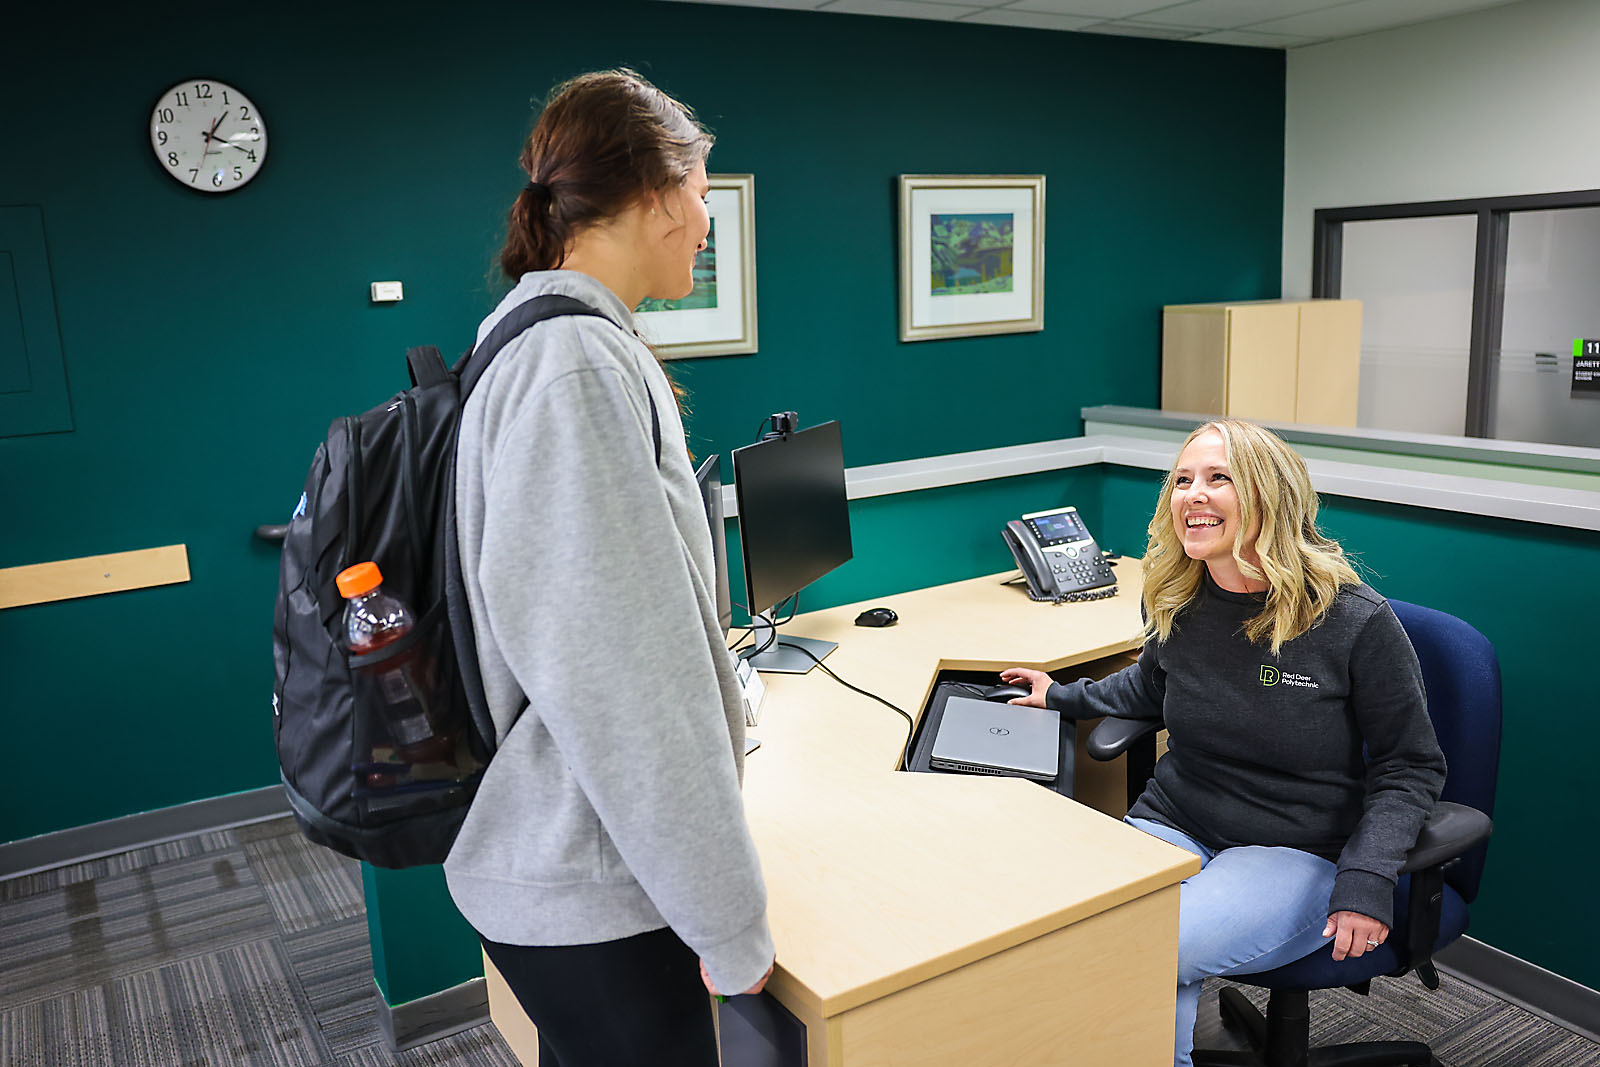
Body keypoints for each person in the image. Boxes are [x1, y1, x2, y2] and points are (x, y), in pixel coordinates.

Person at [443, 70, 773, 1066]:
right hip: (589, 879)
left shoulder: (542, 338)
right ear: (654, 192)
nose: (706, 222)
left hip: (574, 862)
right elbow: (628, 681)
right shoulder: (575, 364)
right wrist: (728, 919)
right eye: (702, 193)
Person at [1000, 419, 1445, 1067]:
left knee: (1149, 944)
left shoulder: (1353, 621)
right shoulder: (1181, 598)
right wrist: (1062, 696)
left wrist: (1368, 874)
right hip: (1177, 818)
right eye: (1182, 480)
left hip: (1295, 846)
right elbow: (1150, 687)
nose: (1193, 494)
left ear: (1270, 495)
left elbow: (1410, 766)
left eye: (1218, 478)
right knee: (1077, 922)